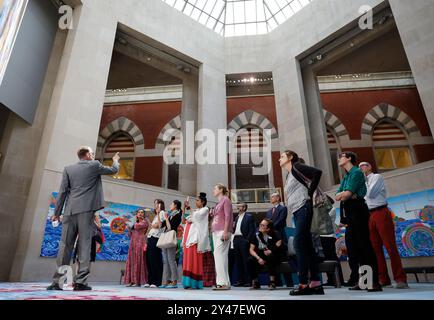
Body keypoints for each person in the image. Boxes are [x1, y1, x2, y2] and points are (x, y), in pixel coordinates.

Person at [47, 147, 120, 291]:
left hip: (69, 211)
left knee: (65, 246)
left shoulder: (68, 168)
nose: (93, 156)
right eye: (92, 153)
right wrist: (116, 161)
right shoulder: (94, 165)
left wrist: (57, 212)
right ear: (87, 155)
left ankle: (57, 282)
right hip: (86, 212)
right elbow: (113, 170)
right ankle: (80, 282)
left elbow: (62, 192)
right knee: (84, 246)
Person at [279, 150, 324, 296]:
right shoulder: (289, 174)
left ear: (290, 157)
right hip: (298, 211)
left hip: (304, 207)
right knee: (307, 246)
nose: (279, 159)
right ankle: (316, 283)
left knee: (298, 244)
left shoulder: (297, 166)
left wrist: (309, 194)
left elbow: (317, 172)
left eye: (282, 156)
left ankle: (303, 283)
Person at [336, 152, 382, 292]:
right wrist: (345, 194)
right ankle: (364, 281)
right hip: (349, 212)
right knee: (354, 247)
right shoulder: (346, 176)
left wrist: (346, 194)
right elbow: (338, 195)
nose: (339, 159)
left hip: (358, 210)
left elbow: (347, 194)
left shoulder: (356, 172)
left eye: (342, 156)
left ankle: (374, 282)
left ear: (349, 158)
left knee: (364, 246)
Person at [359, 162, 409, 289]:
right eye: (359, 167)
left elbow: (369, 194)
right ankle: (383, 279)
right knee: (375, 249)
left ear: (370, 167)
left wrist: (361, 185)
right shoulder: (362, 181)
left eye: (364, 165)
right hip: (369, 215)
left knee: (390, 246)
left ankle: (400, 279)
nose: (361, 168)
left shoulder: (377, 177)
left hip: (381, 211)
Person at [182, 193, 211, 289]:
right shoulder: (196, 210)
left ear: (202, 202)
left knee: (194, 259)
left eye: (198, 200)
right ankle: (187, 282)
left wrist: (190, 211)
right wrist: (185, 208)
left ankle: (194, 283)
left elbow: (196, 217)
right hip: (189, 236)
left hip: (195, 238)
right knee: (187, 259)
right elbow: (186, 220)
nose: (196, 202)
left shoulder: (205, 209)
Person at [248, 219, 283, 290]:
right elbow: (251, 249)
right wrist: (258, 258)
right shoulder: (256, 235)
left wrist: (271, 250)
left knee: (270, 257)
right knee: (250, 260)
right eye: (260, 224)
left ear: (268, 228)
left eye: (263, 225)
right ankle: (256, 282)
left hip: (273, 254)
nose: (260, 226)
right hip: (260, 255)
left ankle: (272, 282)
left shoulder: (275, 233)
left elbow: (279, 243)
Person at [211, 183, 233, 290]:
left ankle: (222, 282)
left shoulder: (226, 200)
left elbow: (228, 216)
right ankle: (225, 282)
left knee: (218, 255)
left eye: (215, 188)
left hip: (222, 231)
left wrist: (225, 231)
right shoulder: (218, 203)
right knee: (222, 257)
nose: (213, 190)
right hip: (215, 231)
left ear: (221, 189)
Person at [319, 206, 345, 287]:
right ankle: (330, 279)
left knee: (333, 258)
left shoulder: (332, 209)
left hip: (329, 237)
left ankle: (339, 279)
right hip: (322, 236)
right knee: (326, 258)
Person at [160, 200, 183, 289]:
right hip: (165, 237)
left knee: (171, 260)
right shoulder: (170, 215)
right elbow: (161, 226)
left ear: (176, 205)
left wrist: (166, 218)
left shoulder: (177, 215)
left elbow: (170, 228)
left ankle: (174, 281)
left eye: (171, 204)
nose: (170, 205)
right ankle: (166, 281)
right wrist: (160, 214)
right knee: (165, 261)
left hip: (171, 237)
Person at [232, 203, 256, 287]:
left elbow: (252, 230)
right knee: (238, 262)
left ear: (244, 207)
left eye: (240, 206)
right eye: (238, 206)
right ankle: (240, 281)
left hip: (243, 240)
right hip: (236, 240)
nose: (238, 207)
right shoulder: (236, 217)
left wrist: (247, 241)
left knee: (246, 261)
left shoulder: (249, 217)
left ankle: (248, 281)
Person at [125, 209, 149, 287]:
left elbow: (136, 226)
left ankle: (137, 281)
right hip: (133, 243)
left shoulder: (145, 222)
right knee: (132, 260)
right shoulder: (135, 222)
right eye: (139, 212)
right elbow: (129, 234)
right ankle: (131, 281)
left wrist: (131, 224)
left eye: (142, 212)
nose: (140, 214)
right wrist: (128, 229)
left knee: (138, 260)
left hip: (140, 242)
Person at [145, 199, 165, 288]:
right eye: (154, 203)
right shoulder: (156, 215)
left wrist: (157, 213)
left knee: (155, 260)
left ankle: (156, 281)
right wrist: (148, 220)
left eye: (156, 203)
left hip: (156, 238)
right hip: (151, 237)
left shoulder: (161, 213)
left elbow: (158, 226)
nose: (155, 204)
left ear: (160, 204)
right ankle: (150, 280)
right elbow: (152, 226)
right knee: (149, 260)